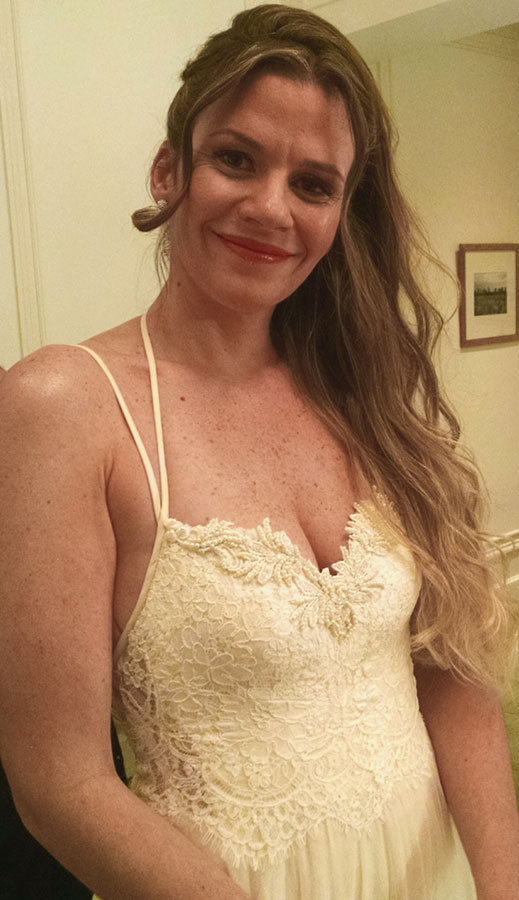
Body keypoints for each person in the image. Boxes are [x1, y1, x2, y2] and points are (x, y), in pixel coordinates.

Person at [0, 5, 517, 900]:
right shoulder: (65, 406)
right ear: (170, 170)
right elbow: (60, 782)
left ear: (339, 213)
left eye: (312, 184)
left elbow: (448, 671)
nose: (271, 207)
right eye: (235, 159)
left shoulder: (360, 397)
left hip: (430, 869)